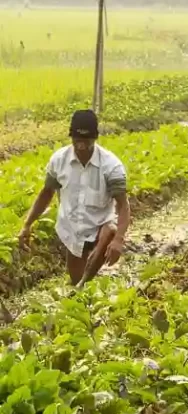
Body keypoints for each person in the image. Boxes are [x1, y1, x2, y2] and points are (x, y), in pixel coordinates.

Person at [19, 110, 130, 287]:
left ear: (95, 138)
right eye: (77, 140)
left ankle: (90, 271)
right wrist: (27, 224)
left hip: (101, 227)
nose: (81, 145)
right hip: (73, 229)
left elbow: (123, 205)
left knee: (110, 229)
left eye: (86, 140)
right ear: (71, 136)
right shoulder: (59, 160)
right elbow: (46, 193)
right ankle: (82, 284)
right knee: (77, 280)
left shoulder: (111, 166)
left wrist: (119, 239)